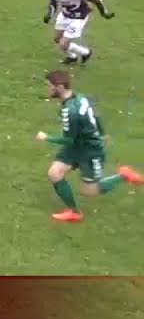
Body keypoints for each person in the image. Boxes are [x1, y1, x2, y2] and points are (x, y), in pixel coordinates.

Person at [37, 70, 142, 222]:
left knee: (91, 191)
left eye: (50, 86)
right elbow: (95, 115)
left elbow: (69, 140)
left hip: (90, 151)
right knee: (54, 173)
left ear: (60, 87)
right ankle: (74, 212)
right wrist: (103, 133)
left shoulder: (70, 112)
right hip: (77, 146)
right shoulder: (80, 98)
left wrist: (47, 137)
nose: (48, 89)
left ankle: (124, 175)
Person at [45, 0, 114, 64]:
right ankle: (72, 57)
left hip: (78, 18)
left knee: (63, 43)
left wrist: (104, 13)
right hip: (65, 15)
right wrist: (49, 14)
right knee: (57, 39)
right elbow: (53, 3)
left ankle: (86, 52)